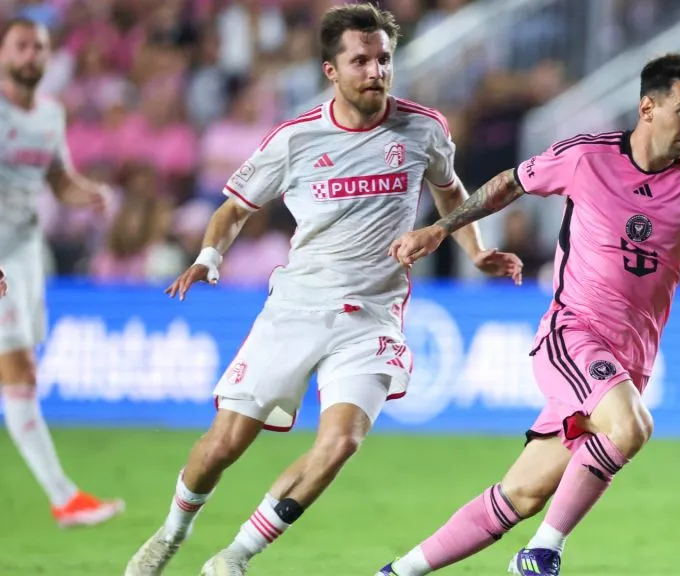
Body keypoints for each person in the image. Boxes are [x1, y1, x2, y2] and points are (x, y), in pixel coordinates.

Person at [124, 4, 522, 576]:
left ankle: (235, 556)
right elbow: (235, 208)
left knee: (340, 443)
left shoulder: (424, 128)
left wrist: (474, 248)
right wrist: (210, 256)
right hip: (296, 308)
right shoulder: (295, 139)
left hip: (374, 316)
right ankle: (170, 533)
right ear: (331, 70)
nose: (376, 71)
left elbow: (449, 190)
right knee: (224, 445)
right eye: (361, 60)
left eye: (384, 59)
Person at [378, 53, 680, 576]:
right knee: (631, 427)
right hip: (573, 335)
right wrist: (441, 228)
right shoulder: (587, 157)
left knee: (521, 493)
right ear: (647, 108)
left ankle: (396, 573)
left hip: (632, 358)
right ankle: (540, 555)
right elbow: (510, 183)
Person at [0, 17, 122, 528]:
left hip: (26, 251)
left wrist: (88, 193)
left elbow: (57, 178)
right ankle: (63, 497)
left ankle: (64, 497)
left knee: (23, 366)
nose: (32, 55)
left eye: (40, 48)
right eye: (22, 46)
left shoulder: (50, 114)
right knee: (18, 366)